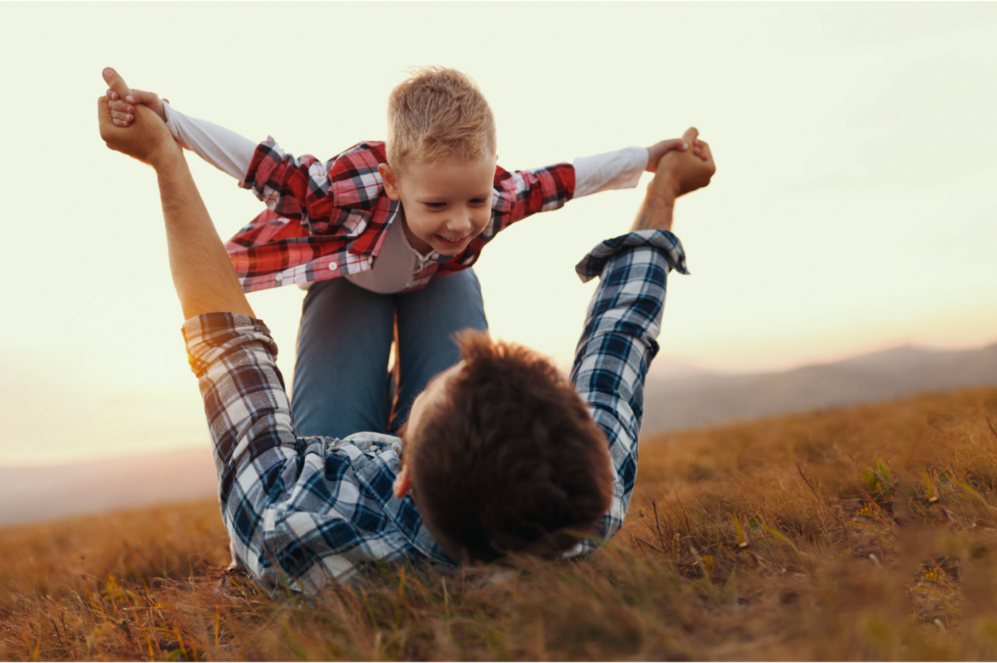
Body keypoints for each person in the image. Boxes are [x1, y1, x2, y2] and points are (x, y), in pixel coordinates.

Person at [96, 70, 716, 593]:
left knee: (365, 288)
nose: (463, 220)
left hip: (348, 312)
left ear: (404, 472)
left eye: (445, 393)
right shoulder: (583, 497)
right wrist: (659, 179)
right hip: (391, 265)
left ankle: (383, 285)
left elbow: (227, 346)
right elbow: (620, 333)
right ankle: (411, 280)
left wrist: (164, 147)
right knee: (449, 277)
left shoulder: (290, 517)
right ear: (580, 442)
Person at [103, 66, 706, 438]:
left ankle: (422, 441)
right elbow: (263, 165)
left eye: (473, 199)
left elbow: (564, 180)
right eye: (437, 206)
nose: (461, 222)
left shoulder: (496, 197)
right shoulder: (343, 193)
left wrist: (648, 158)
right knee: (332, 439)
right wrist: (169, 120)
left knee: (451, 426)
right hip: (350, 280)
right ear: (394, 184)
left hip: (439, 285)